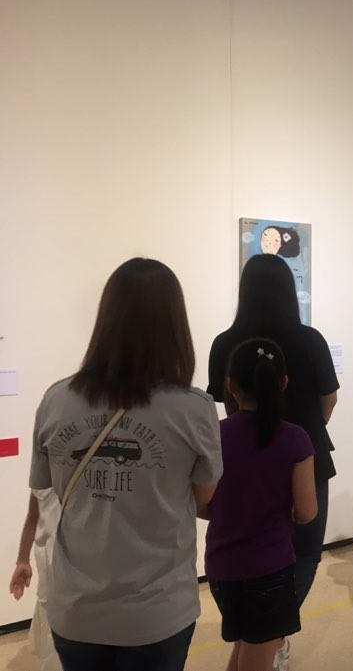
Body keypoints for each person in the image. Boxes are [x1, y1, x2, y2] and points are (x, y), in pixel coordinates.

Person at [29, 258, 222, 671]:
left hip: (75, 608)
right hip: (158, 610)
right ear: (175, 327)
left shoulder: (56, 400)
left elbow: (47, 486)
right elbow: (204, 497)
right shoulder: (194, 410)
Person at [207, 255, 338, 612]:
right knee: (306, 549)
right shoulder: (310, 340)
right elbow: (329, 399)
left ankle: (256, 627)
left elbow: (221, 401)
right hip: (307, 457)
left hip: (239, 461)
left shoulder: (225, 343)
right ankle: (278, 626)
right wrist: (306, 433)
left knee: (243, 542)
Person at [201, 339, 317, 671]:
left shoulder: (214, 435)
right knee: (257, 655)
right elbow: (306, 511)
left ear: (230, 385)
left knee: (244, 647)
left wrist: (229, 511)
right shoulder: (295, 438)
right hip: (269, 570)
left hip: (221, 568)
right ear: (283, 382)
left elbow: (198, 503)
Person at [9, 490, 62, 671]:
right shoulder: (44, 474)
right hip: (50, 560)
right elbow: (33, 516)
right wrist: (22, 560)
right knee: (53, 622)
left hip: (82, 567)